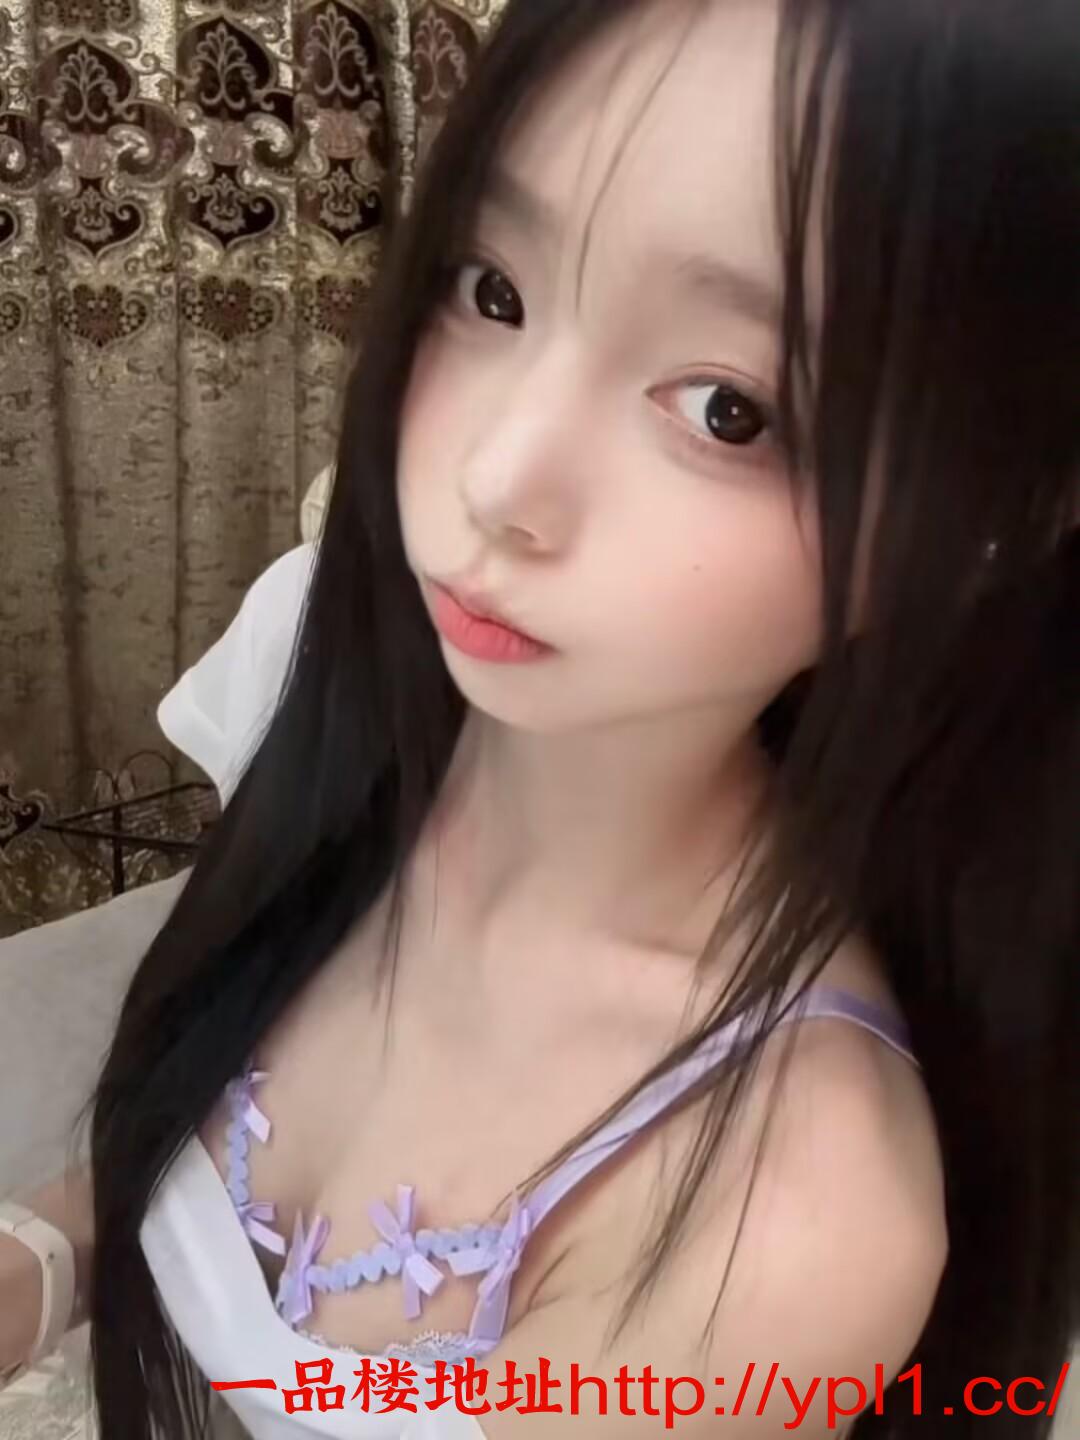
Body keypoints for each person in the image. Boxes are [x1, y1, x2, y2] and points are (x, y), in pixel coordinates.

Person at [2, 0, 1077, 1434]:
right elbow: (185, 1140)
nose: (498, 478)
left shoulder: (784, 1214)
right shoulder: (352, 710)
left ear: (995, 521)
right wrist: (41, 1260)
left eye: (730, 410)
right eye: (493, 290)